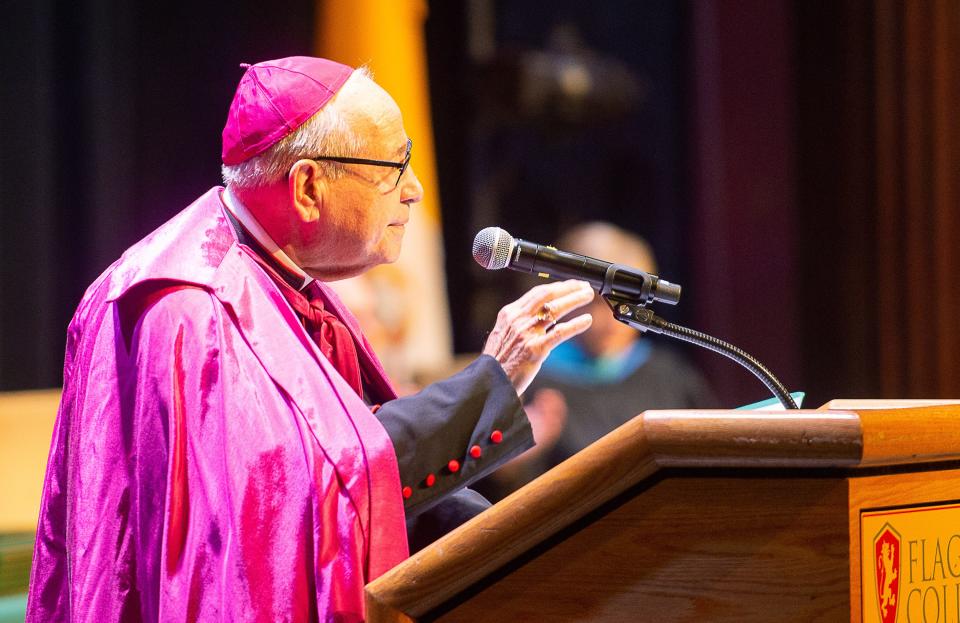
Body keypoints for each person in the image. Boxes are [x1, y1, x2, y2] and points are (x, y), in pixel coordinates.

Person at [26, 56, 594, 622]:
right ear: (307, 185)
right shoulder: (190, 308)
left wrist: (529, 542)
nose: (416, 191)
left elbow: (341, 467)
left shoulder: (282, 279)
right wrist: (488, 380)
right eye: (395, 168)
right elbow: (283, 509)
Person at [477, 222, 718, 501]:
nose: (611, 318)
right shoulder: (532, 379)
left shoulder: (669, 374)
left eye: (628, 299)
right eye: (595, 301)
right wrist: (509, 463)